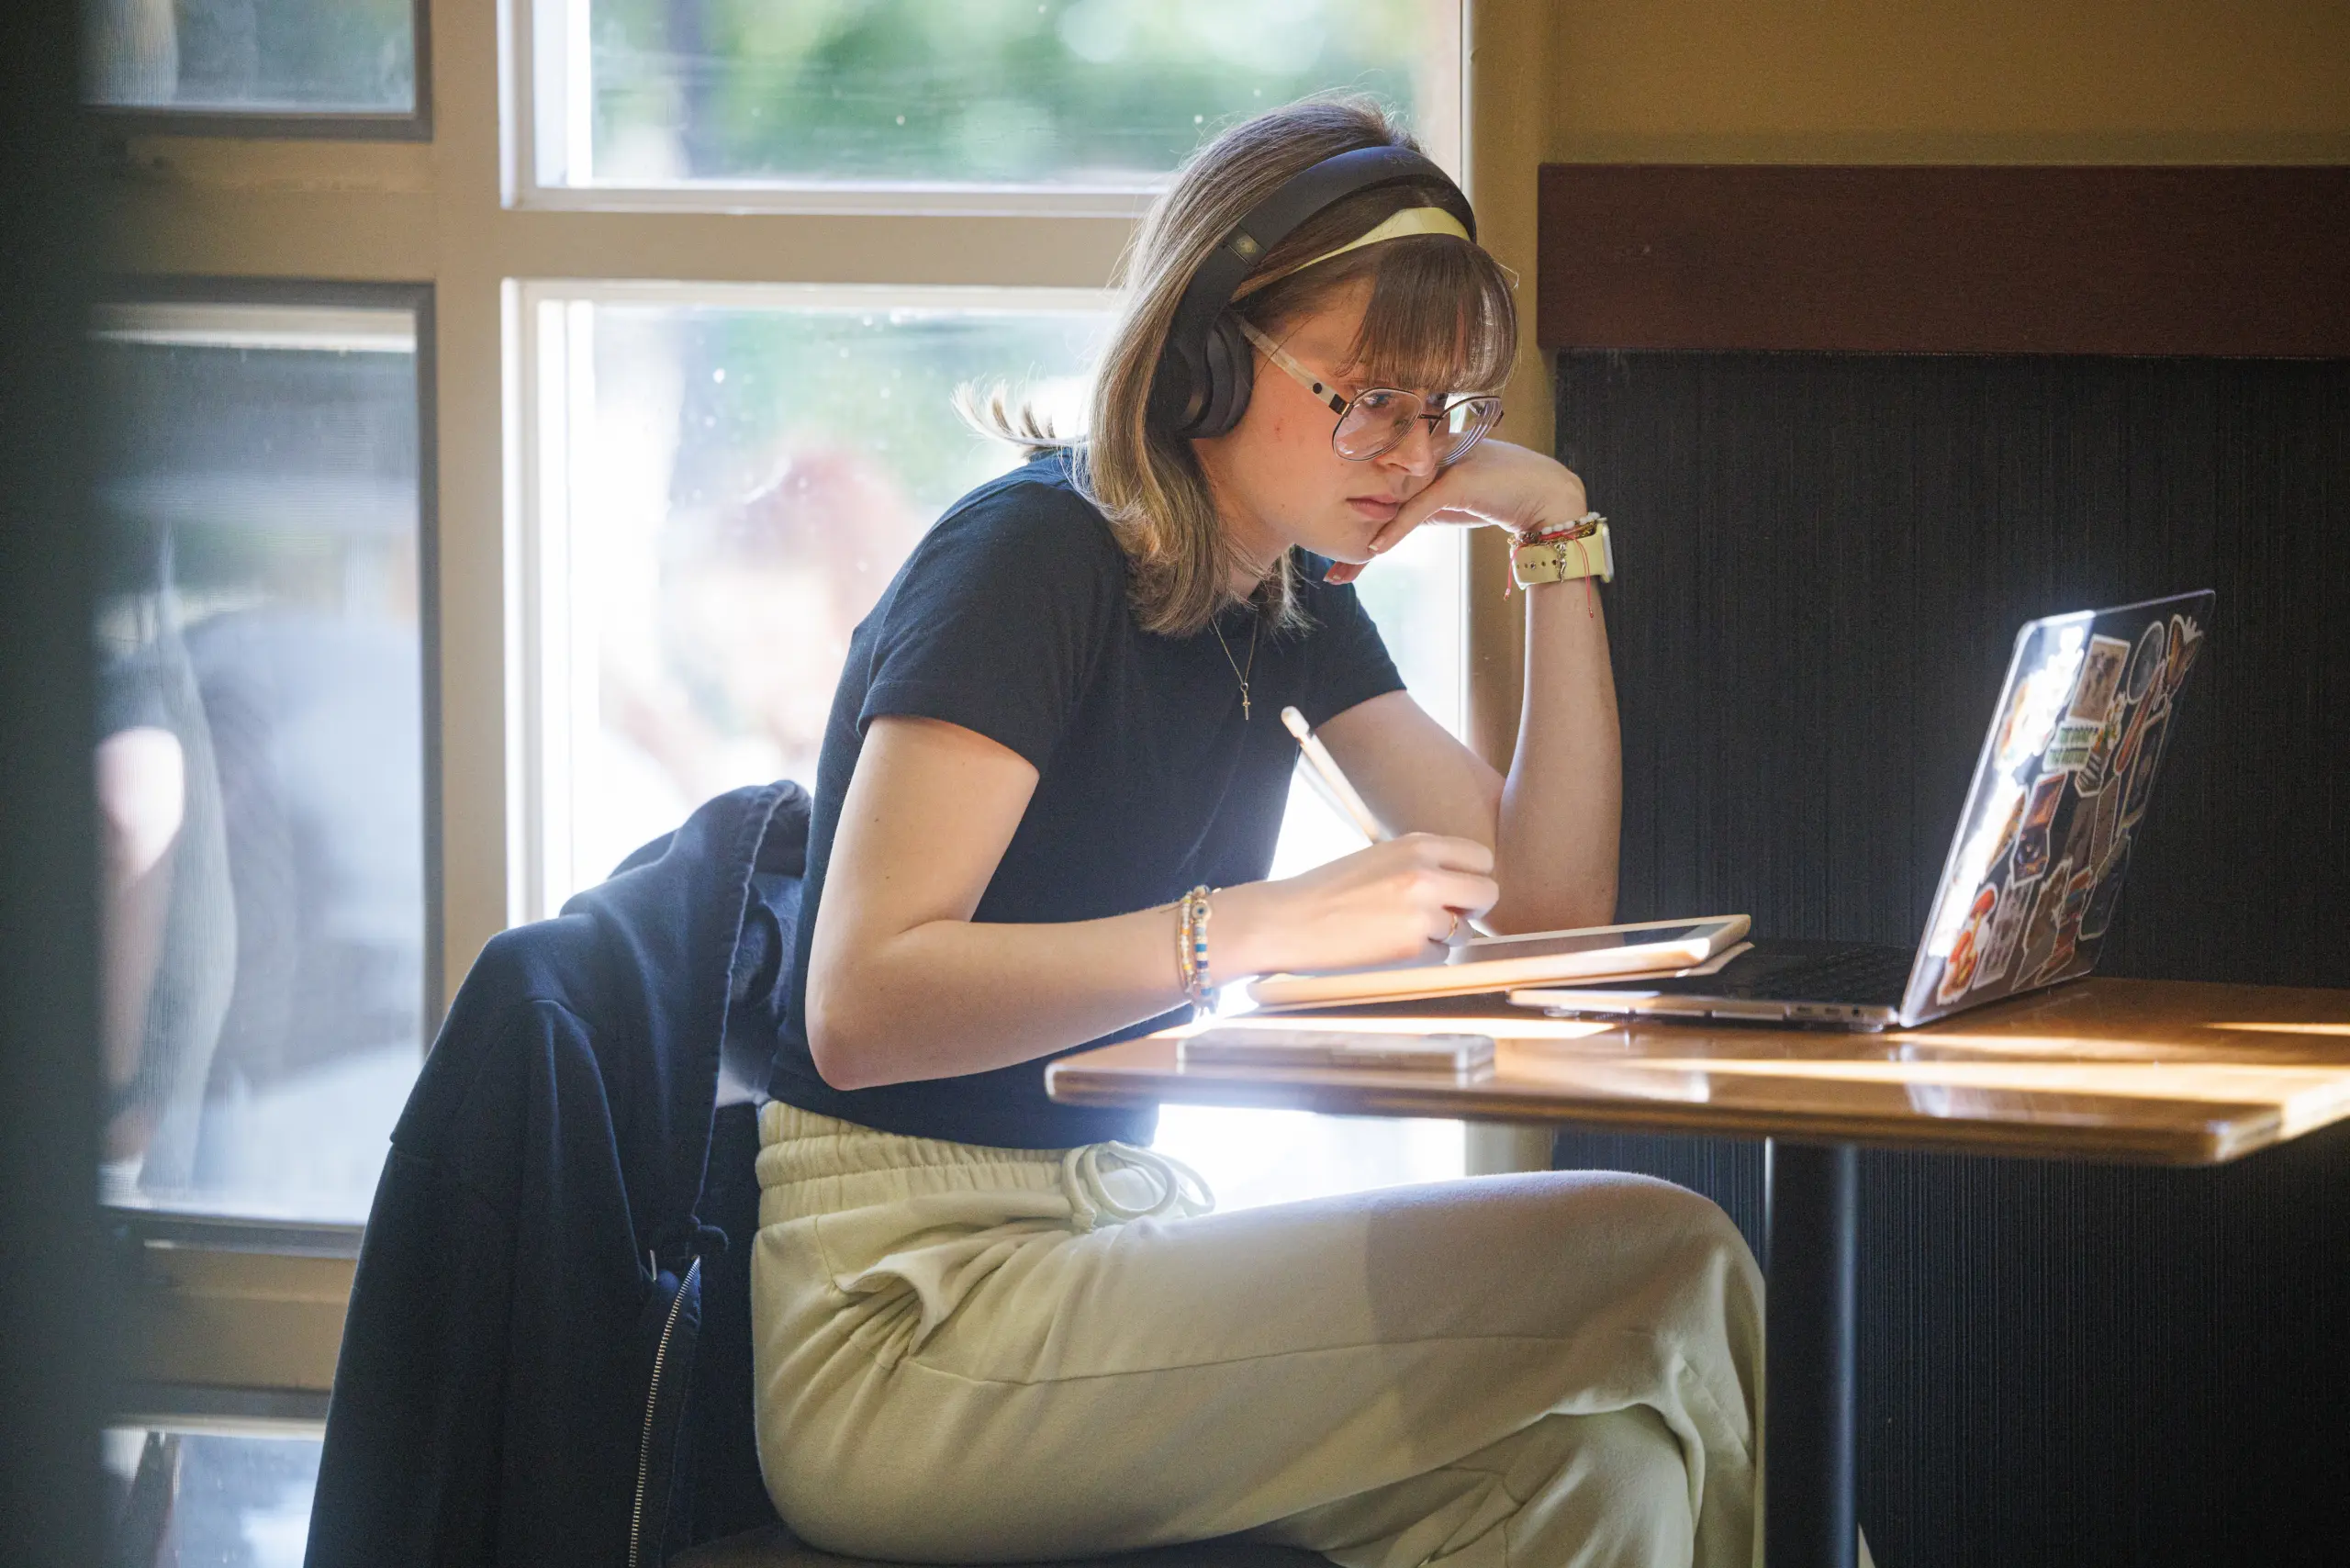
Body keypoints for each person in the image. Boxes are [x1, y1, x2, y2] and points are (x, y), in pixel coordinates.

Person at [752, 98, 1768, 1568]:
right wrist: (1254, 926)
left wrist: (1559, 548)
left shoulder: (1283, 590)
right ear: (1209, 356)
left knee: (1601, 1482)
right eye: (1364, 395)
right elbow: (860, 1009)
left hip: (1098, 1251)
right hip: (907, 1320)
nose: (1411, 456)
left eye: (1442, 411)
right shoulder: (1028, 558)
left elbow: (1547, 915)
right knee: (1670, 1259)